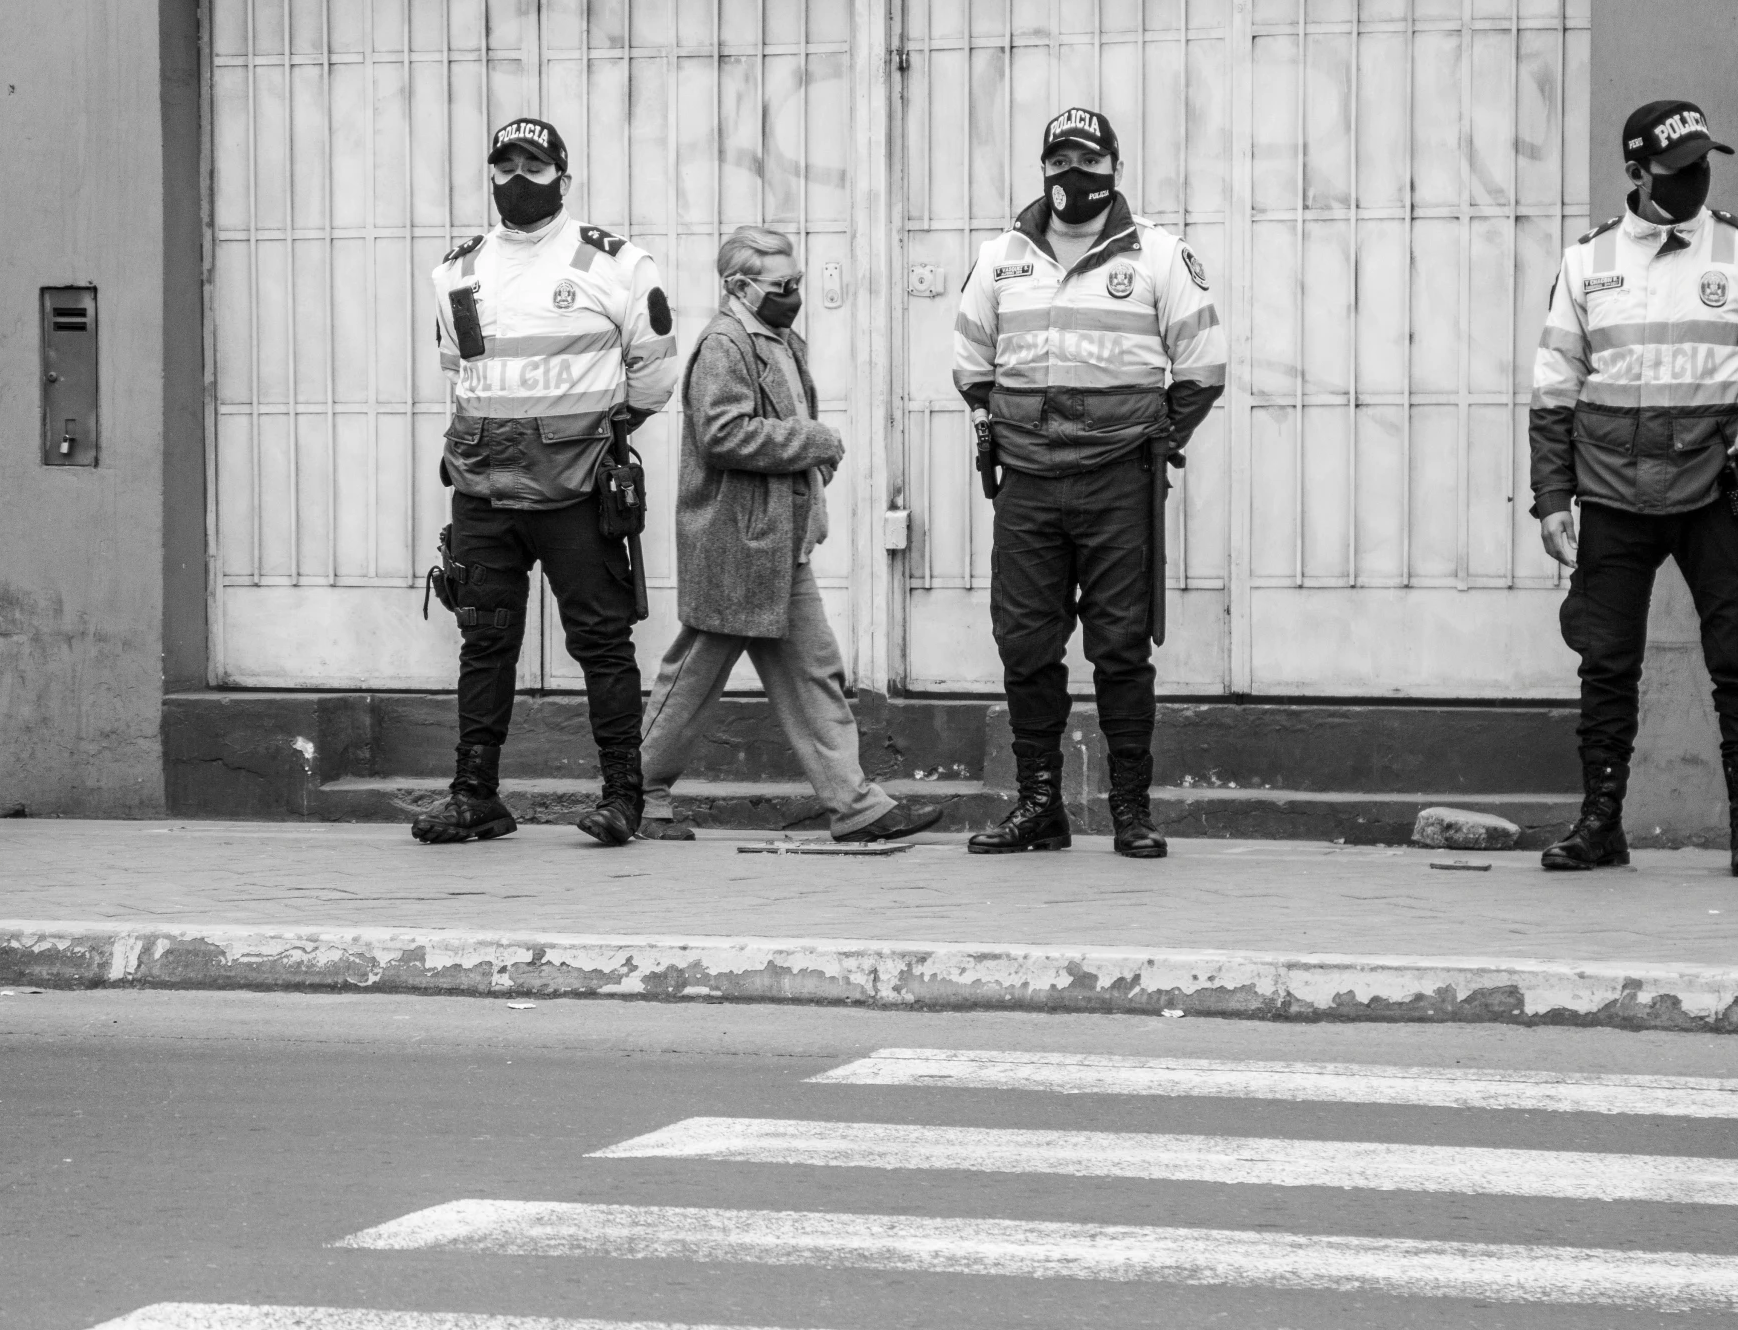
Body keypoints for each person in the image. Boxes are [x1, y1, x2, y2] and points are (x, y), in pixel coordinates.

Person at [1530, 100, 1738, 878]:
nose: (1696, 180)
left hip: (1717, 491)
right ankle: (1600, 824)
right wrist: (1552, 498)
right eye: (1677, 172)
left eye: (1703, 165)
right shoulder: (1586, 264)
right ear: (1636, 174)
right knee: (1605, 663)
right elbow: (1553, 393)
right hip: (1610, 492)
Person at [951, 107, 1226, 859]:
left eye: (1088, 158)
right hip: (1029, 487)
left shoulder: (1159, 256)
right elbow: (972, 364)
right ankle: (1040, 806)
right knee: (1026, 647)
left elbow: (1201, 367)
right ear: (1043, 166)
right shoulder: (1001, 255)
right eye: (1061, 157)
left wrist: (1156, 436)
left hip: (1118, 483)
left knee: (1121, 647)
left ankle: (1131, 810)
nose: (1074, 171)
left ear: (1115, 168)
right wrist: (995, 421)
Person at [412, 118, 680, 847]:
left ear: (563, 178)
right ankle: (475, 795)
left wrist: (599, 435)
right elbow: (458, 373)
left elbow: (654, 370)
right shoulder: (457, 271)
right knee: (484, 640)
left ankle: (624, 796)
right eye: (504, 164)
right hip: (484, 486)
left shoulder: (616, 265)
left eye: (533, 164)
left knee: (601, 640)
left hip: (576, 485)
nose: (516, 177)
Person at [634, 226, 943, 845]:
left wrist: (810, 466)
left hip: (775, 543)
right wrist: (816, 442)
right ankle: (634, 792)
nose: (794, 294)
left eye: (796, 282)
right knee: (693, 677)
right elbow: (722, 435)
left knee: (814, 672)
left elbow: (775, 426)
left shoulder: (774, 338)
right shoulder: (725, 344)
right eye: (783, 285)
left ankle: (856, 808)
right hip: (738, 543)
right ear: (738, 286)